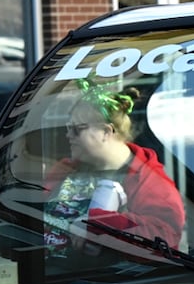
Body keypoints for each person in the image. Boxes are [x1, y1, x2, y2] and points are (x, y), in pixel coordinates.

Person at [44, 81, 185, 256]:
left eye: (76, 130)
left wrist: (97, 224)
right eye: (68, 128)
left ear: (105, 132)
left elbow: (165, 238)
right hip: (49, 280)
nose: (68, 135)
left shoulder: (150, 182)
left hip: (112, 280)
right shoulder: (64, 169)